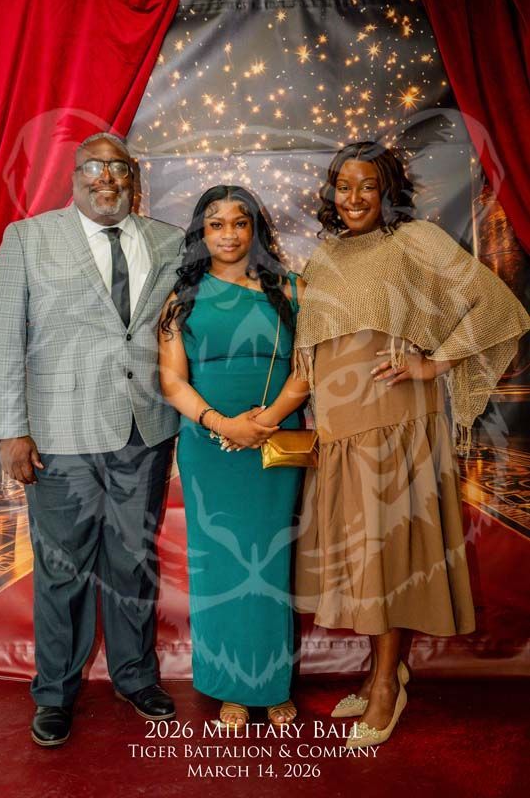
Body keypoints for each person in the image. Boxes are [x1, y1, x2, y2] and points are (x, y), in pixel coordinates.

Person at [294, 141, 530, 748]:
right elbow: (312, 353)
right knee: (365, 557)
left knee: (387, 553)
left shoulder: (414, 240)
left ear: (387, 190)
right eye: (343, 186)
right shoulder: (323, 257)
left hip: (396, 421)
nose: (353, 199)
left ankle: (384, 690)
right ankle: (386, 668)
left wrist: (437, 363)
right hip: (341, 429)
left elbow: (498, 305)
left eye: (367, 186)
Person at [0, 132, 185, 747]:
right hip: (58, 435)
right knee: (62, 569)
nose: (107, 180)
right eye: (94, 168)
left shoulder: (170, 242)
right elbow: (0, 340)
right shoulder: (29, 237)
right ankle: (55, 692)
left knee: (132, 561)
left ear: (134, 178)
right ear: (74, 175)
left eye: (119, 169)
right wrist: (10, 429)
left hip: (144, 431)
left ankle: (134, 675)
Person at [159, 185, 309, 728]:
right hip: (208, 445)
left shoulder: (289, 290)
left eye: (239, 223)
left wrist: (261, 424)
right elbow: (172, 380)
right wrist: (225, 425)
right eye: (215, 224)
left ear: (255, 230)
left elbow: (306, 369)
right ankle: (229, 685)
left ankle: (271, 684)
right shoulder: (183, 299)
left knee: (270, 559)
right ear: (202, 232)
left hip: (273, 439)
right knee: (218, 564)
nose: (228, 234)